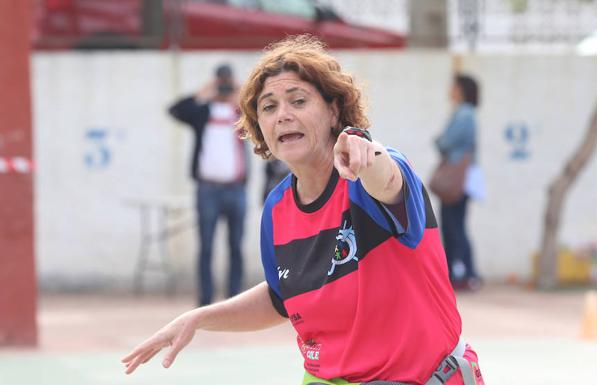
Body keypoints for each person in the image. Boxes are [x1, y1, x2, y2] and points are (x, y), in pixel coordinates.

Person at [123, 35, 485, 385]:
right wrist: (199, 318)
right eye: (268, 107)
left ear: (332, 111)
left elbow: (386, 178)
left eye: (298, 101)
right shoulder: (278, 208)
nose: (283, 115)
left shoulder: (371, 174)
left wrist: (366, 151)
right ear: (259, 128)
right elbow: (282, 296)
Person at [168, 63, 249, 305]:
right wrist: (203, 92)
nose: (223, 86)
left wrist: (241, 92)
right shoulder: (203, 112)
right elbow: (175, 110)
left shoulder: (240, 113)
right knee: (206, 246)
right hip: (208, 189)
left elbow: (262, 109)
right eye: (220, 81)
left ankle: (235, 298)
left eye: (226, 81)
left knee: (236, 246)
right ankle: (205, 298)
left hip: (236, 189)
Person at [434, 74, 483, 291]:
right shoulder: (467, 114)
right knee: (456, 225)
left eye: (453, 86)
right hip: (463, 178)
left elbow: (446, 141)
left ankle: (464, 273)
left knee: (454, 226)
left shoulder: (464, 114)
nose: (450, 90)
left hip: (457, 179)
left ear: (461, 89)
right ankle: (461, 273)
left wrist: (440, 139)